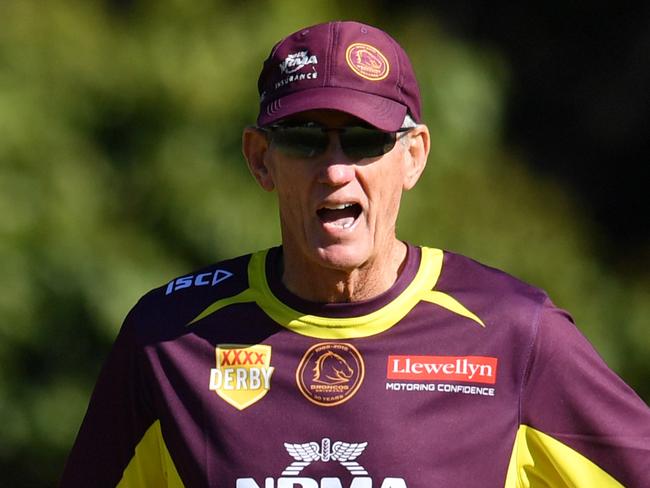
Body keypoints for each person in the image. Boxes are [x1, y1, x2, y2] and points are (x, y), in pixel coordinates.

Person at [60, 20, 649, 488]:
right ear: (260, 158)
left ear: (413, 156)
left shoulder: (515, 334)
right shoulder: (168, 341)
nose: (336, 170)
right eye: (305, 139)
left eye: (365, 140)